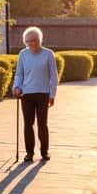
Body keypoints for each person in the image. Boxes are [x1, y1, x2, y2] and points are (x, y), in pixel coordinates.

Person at [12, 26, 59, 162]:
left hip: (43, 93)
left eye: (33, 41)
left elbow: (53, 76)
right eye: (28, 42)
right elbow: (19, 73)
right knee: (28, 124)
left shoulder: (48, 54)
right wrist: (16, 87)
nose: (30, 45)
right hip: (26, 94)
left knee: (42, 124)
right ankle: (29, 153)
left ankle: (44, 151)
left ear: (38, 41)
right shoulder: (23, 54)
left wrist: (52, 94)